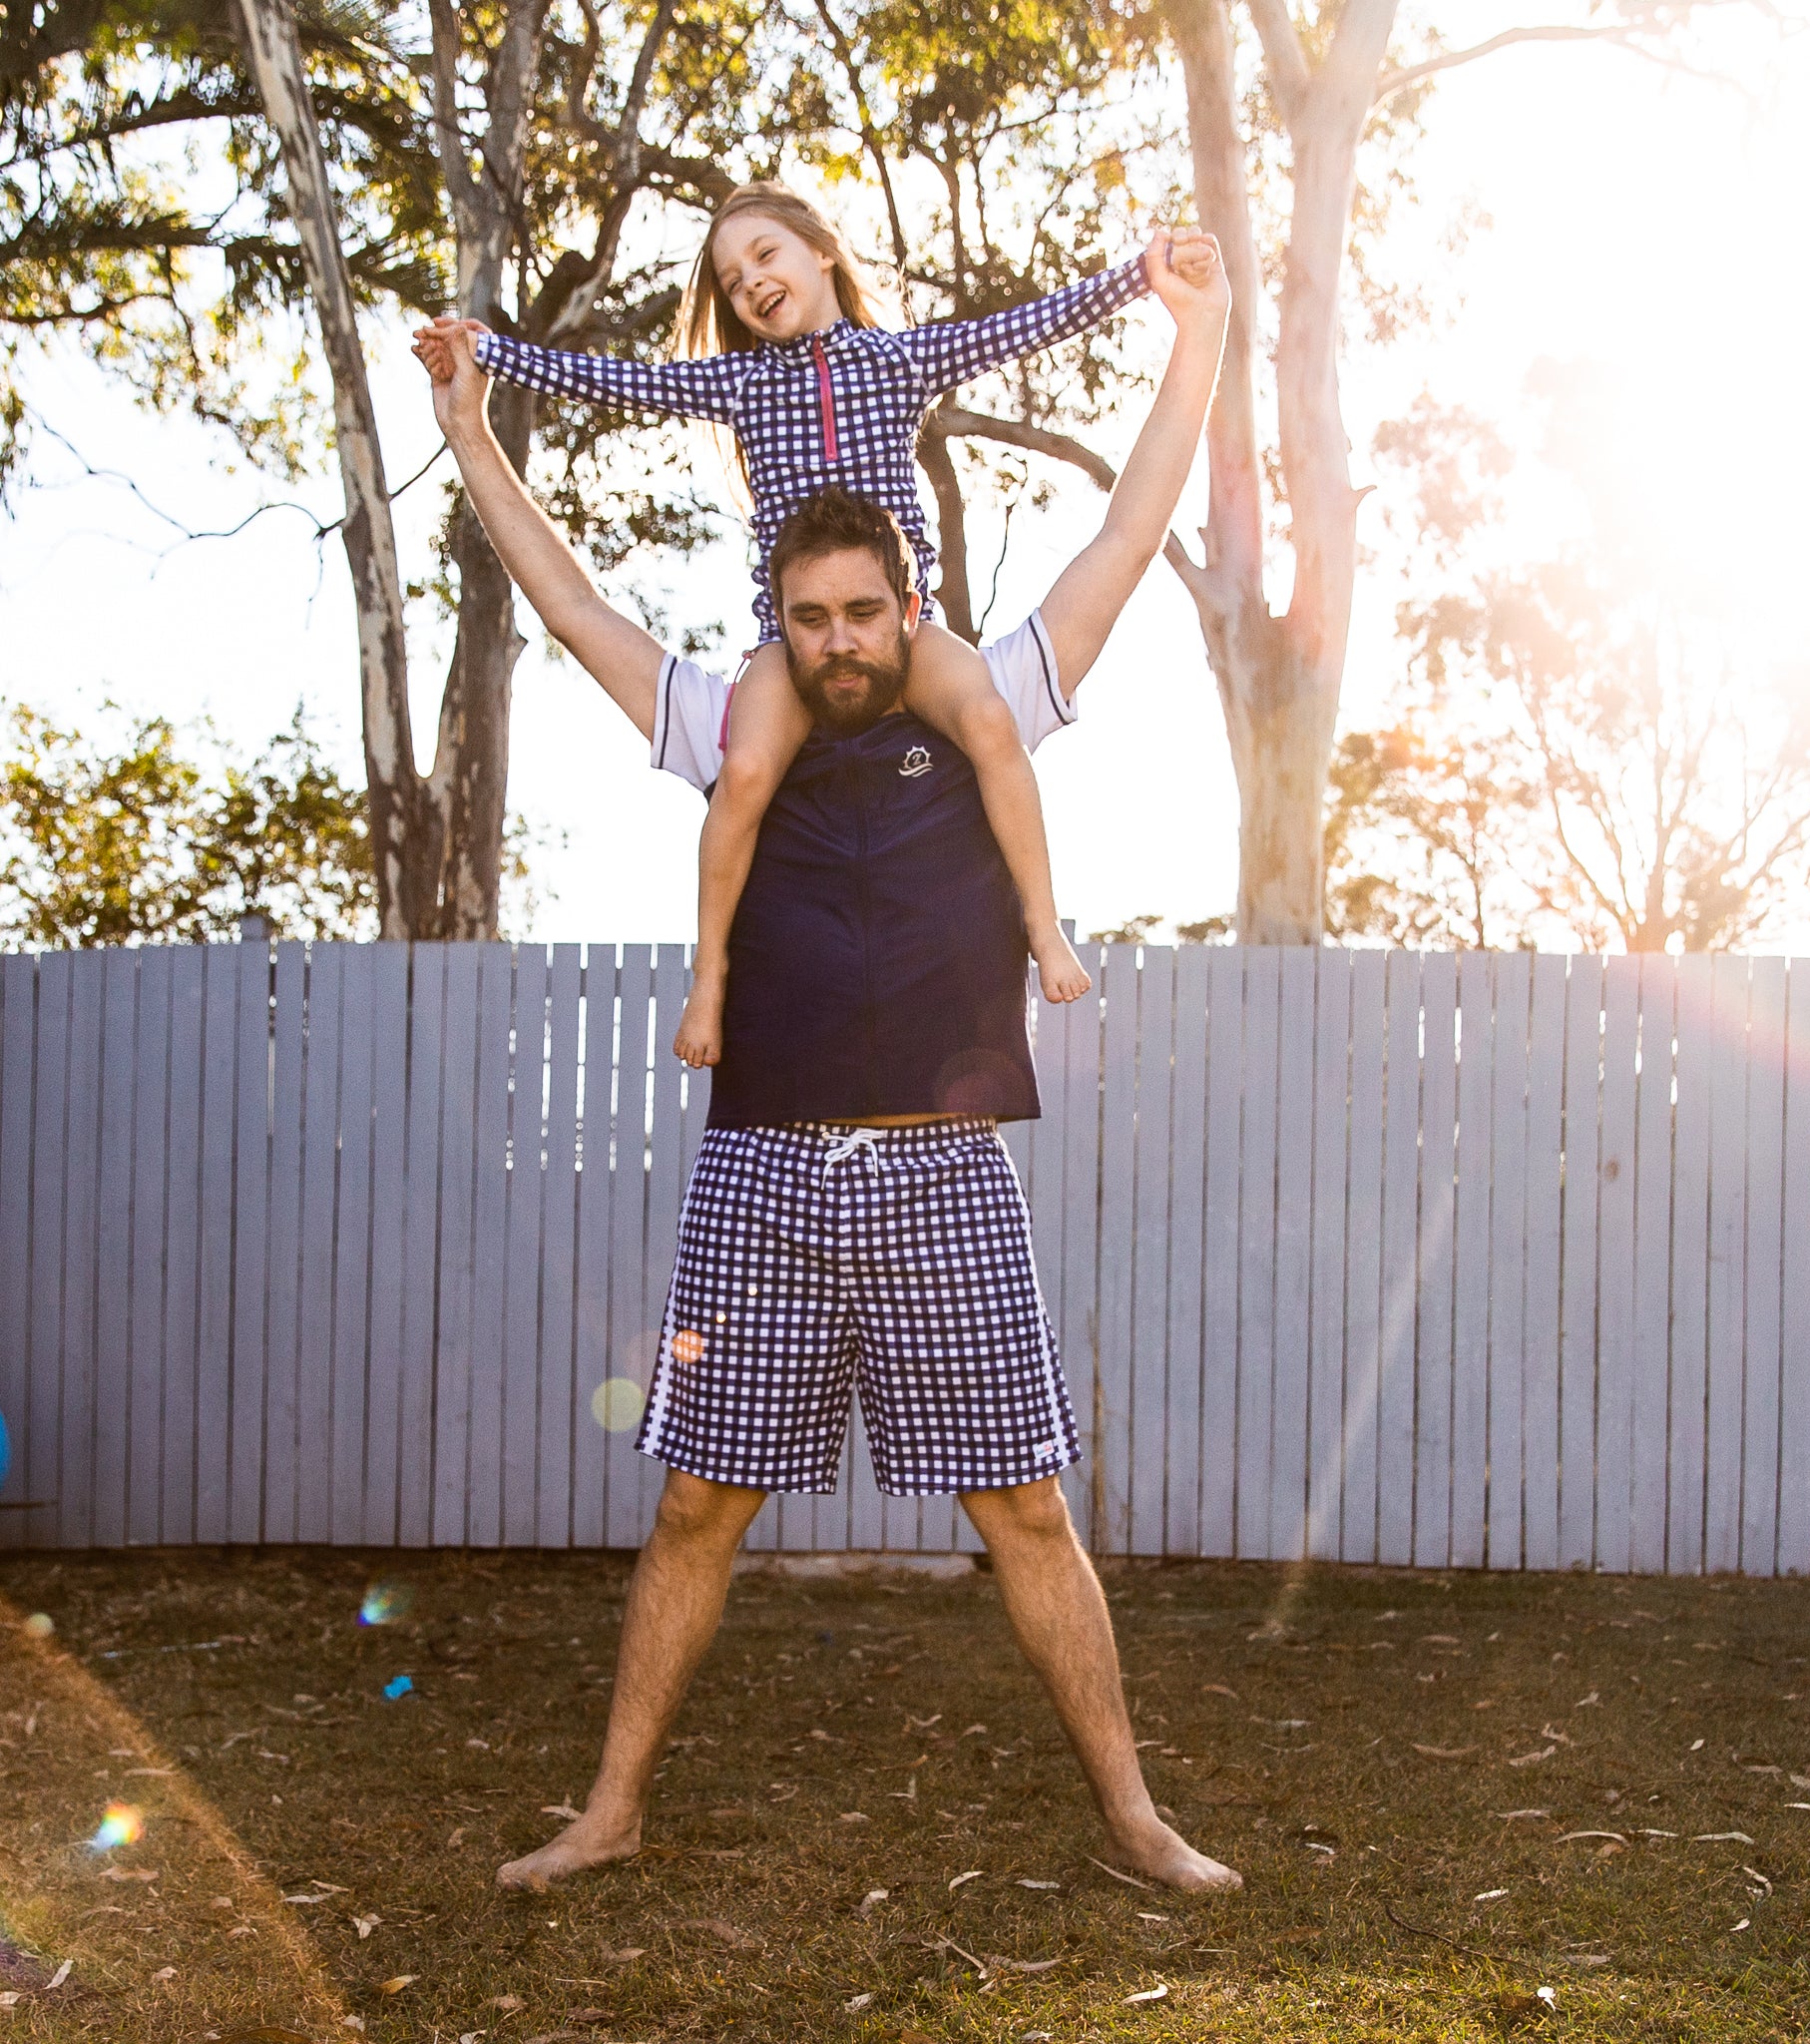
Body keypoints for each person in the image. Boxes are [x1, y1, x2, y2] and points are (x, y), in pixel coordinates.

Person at [420, 236, 1238, 1895]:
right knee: (694, 1513)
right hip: (765, 1177)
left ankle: (1135, 1815)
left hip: (943, 1177)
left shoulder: (989, 692)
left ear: (909, 604)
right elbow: (570, 597)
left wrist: (1199, 332)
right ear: (776, 621)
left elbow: (1132, 526)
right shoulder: (734, 722)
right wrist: (468, 426)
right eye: (808, 619)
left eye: (865, 612)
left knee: (1025, 1514)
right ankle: (612, 1808)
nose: (838, 642)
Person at [414, 184, 1215, 1073]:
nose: (750, 282)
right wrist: (493, 361)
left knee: (990, 722)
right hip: (776, 650)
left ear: (821, 251)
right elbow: (623, 385)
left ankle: (1042, 925)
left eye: (765, 255)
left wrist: (1145, 280)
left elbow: (1025, 327)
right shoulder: (742, 384)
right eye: (730, 278)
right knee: (746, 769)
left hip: (917, 636)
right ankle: (710, 975)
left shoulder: (900, 359)